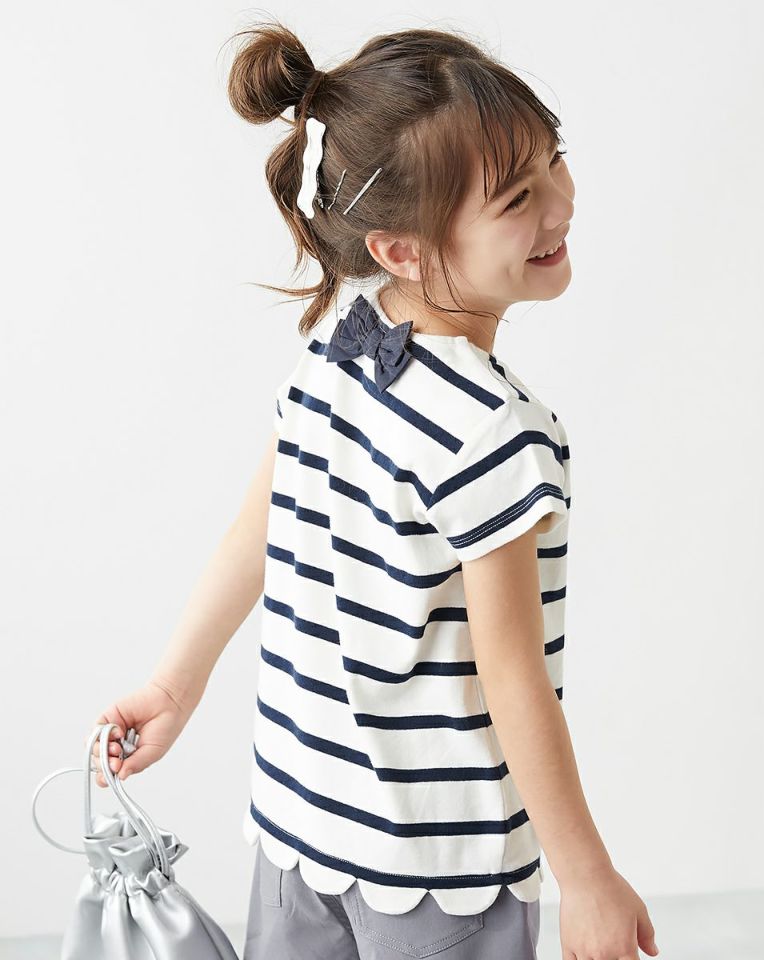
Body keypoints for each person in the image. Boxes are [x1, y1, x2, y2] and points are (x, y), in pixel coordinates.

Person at [92, 20, 659, 960]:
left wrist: (171, 684)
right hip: (440, 872)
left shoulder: (339, 345)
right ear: (400, 250)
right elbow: (513, 677)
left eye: (554, 158)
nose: (561, 203)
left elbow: (254, 528)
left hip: (298, 829)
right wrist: (587, 877)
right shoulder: (494, 432)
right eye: (517, 196)